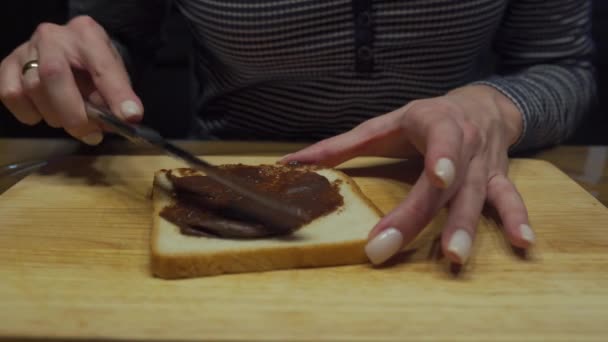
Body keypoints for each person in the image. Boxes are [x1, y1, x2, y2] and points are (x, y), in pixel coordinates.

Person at [0, 0, 595, 268]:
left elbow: (563, 65)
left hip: (445, 176)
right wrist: (66, 70)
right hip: (223, 158)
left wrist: (499, 104)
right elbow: (114, 34)